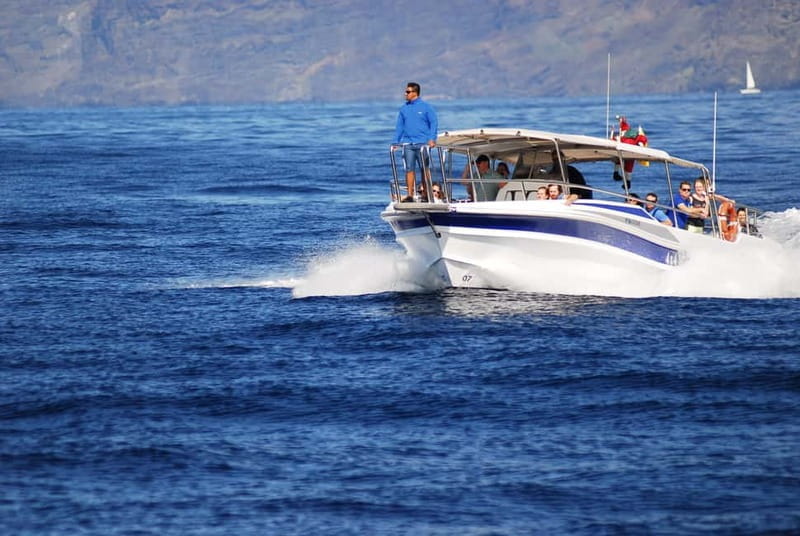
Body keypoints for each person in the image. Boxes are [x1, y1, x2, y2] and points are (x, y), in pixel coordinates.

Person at [393, 82, 438, 202]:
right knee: (409, 169)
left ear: (415, 93)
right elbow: (400, 126)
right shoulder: (404, 108)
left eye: (408, 92)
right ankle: (409, 195)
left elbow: (433, 122)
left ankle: (427, 195)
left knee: (425, 169)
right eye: (406, 91)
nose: (405, 94)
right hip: (408, 144)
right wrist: (395, 142)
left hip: (423, 143)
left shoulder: (426, 107)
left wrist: (432, 139)